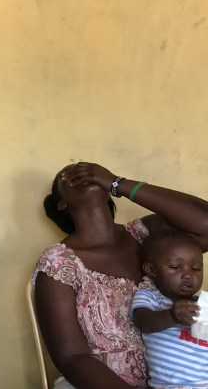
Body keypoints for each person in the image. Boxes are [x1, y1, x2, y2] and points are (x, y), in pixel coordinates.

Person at [34, 162, 208, 389]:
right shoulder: (57, 262)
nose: (81, 170)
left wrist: (119, 183)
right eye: (70, 174)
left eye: (89, 169)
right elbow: (72, 358)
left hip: (177, 379)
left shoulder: (148, 239)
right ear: (61, 203)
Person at [130, 230, 208, 387]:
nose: (188, 275)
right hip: (170, 385)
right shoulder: (150, 297)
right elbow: (143, 322)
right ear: (151, 270)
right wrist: (171, 316)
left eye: (195, 268)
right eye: (175, 267)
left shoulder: (204, 303)